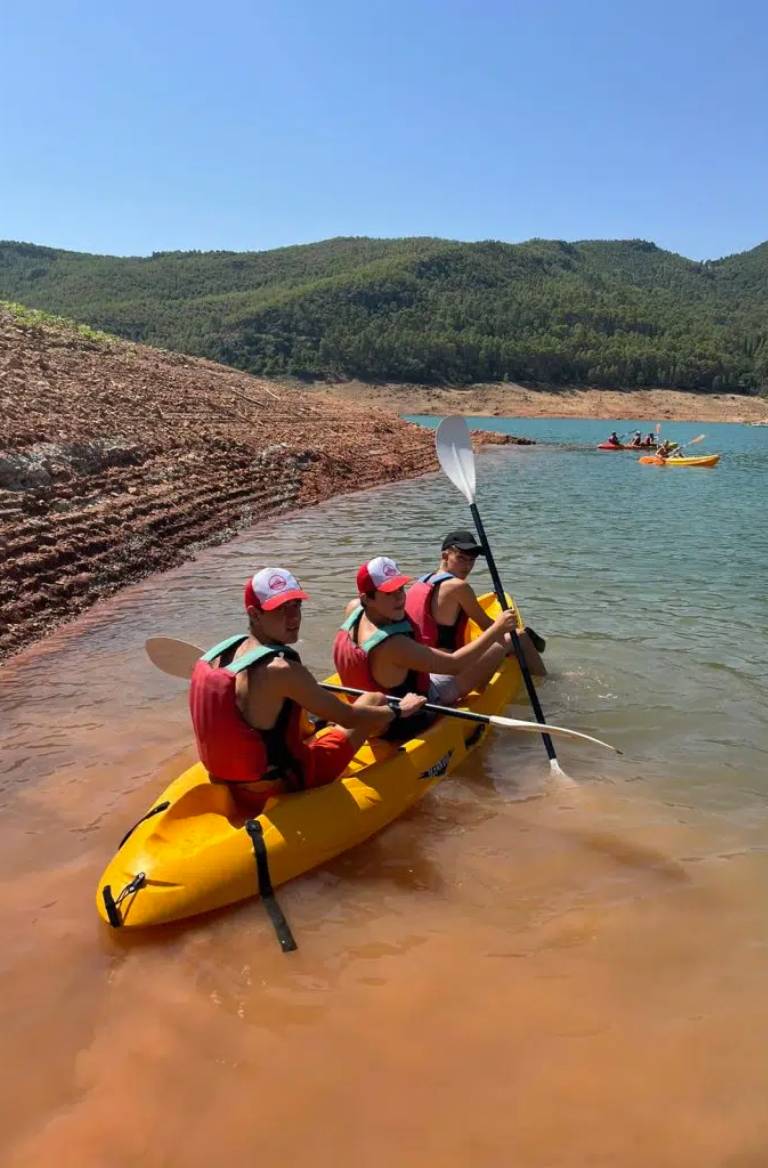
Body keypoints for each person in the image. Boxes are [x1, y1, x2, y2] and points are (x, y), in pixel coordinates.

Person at [188, 567, 425, 813]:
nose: (293, 618)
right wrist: (398, 710)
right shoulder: (280, 669)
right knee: (375, 699)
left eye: (296, 606)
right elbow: (349, 717)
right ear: (254, 614)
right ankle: (394, 742)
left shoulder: (218, 655)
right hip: (281, 784)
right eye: (280, 609)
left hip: (230, 778)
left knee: (305, 718)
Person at [333, 555, 518, 738]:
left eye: (400, 589)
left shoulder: (354, 608)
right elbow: (455, 665)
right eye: (389, 593)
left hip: (372, 712)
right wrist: (497, 628)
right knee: (511, 639)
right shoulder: (393, 645)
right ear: (367, 599)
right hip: (408, 717)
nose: (399, 598)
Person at [405, 529, 546, 676]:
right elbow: (488, 626)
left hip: (417, 667)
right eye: (461, 558)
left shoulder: (422, 581)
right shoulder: (459, 587)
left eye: (471, 560)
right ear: (445, 556)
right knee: (520, 637)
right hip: (445, 671)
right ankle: (547, 683)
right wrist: (511, 627)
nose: (467, 566)